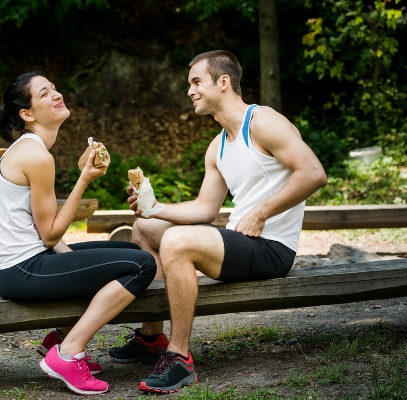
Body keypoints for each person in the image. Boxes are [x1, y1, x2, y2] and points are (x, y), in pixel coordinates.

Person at [108, 50, 327, 394]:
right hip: (240, 239)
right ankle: (152, 336)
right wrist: (154, 207)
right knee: (146, 230)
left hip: (272, 249)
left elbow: (314, 173)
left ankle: (179, 358)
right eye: (189, 84)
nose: (190, 91)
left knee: (177, 242)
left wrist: (262, 212)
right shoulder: (218, 146)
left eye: (197, 82)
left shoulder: (263, 122)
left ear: (223, 82)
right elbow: (205, 209)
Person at [0, 71, 157, 396]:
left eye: (54, 87)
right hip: (21, 271)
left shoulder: (30, 149)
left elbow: (40, 230)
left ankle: (60, 336)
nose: (56, 93)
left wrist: (76, 262)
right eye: (44, 92)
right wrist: (84, 180)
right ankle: (66, 353)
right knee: (142, 266)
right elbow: (49, 235)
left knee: (133, 255)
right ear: (27, 113)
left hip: (26, 263)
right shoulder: (36, 156)